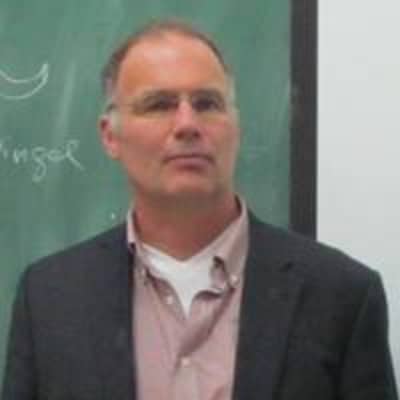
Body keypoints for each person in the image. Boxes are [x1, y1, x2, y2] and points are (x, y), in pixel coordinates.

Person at [2, 19, 398, 400]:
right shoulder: (50, 298)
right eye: (159, 105)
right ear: (110, 136)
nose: (187, 124)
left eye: (207, 103)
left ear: (236, 126)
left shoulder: (341, 296)